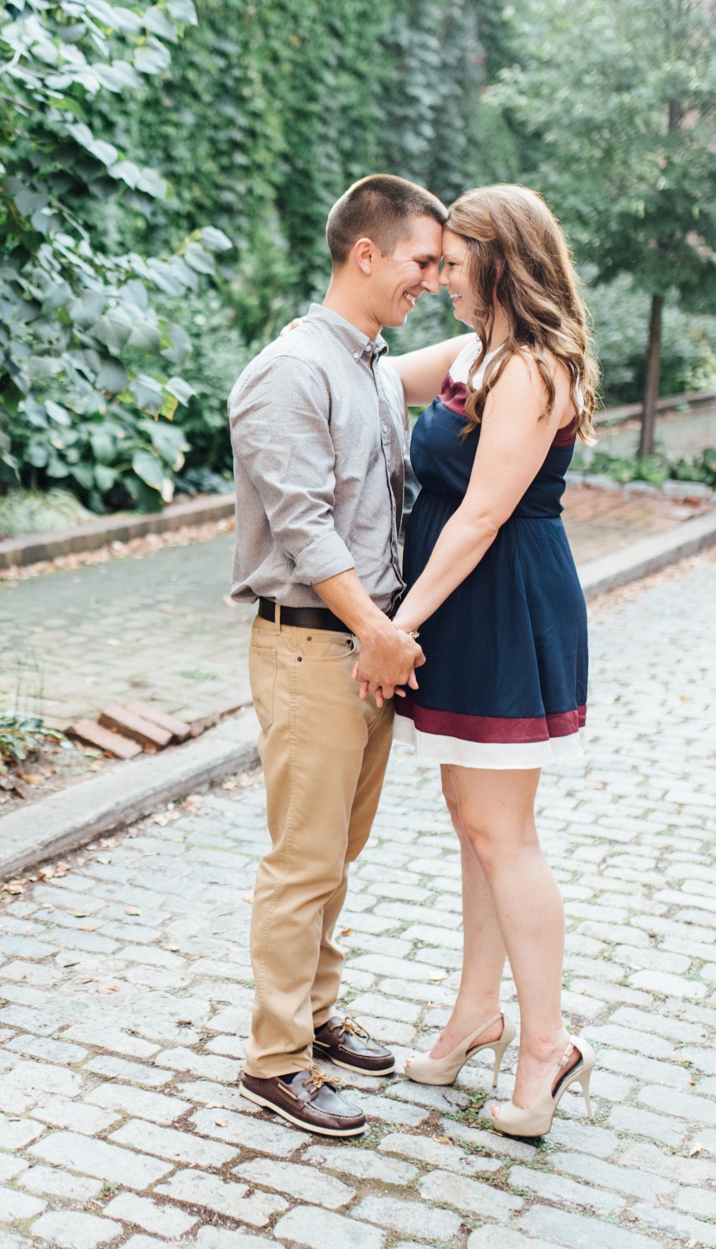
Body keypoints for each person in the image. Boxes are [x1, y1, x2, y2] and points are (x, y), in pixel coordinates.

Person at [226, 174, 480, 1136]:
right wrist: (377, 632)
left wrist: (509, 299)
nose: (431, 278)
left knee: (339, 852)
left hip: (369, 649)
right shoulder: (291, 372)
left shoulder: (370, 363)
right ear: (364, 253)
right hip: (315, 648)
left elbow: (463, 348)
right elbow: (302, 528)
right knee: (302, 861)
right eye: (423, 261)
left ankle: (318, 1016)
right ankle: (275, 1059)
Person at [390, 184, 599, 1137]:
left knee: (502, 828)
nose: (437, 276)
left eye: (452, 258)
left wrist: (396, 624)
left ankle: (547, 1042)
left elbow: (481, 514)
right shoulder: (478, 352)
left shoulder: (532, 367)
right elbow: (378, 372)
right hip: (467, 603)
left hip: (500, 602)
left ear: (498, 256)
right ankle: (477, 1013)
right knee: (471, 816)